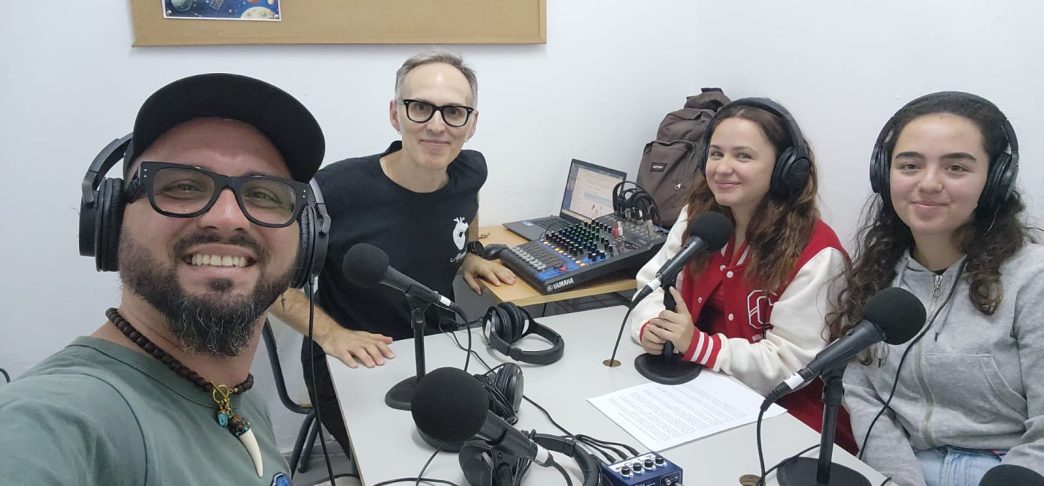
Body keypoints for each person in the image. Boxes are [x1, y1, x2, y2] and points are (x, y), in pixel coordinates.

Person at [0, 73, 326, 484]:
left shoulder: (231, 391)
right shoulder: (55, 422)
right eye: (183, 186)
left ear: (307, 240)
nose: (227, 217)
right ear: (112, 220)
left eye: (263, 194)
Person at [268, 51, 516, 451]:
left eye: (454, 112)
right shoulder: (333, 191)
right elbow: (263, 279)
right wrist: (331, 335)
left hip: (436, 345)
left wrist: (471, 251)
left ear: (471, 124)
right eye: (420, 108)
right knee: (394, 460)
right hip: (353, 359)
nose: (437, 125)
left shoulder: (471, 170)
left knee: (483, 442)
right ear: (395, 114)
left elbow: (468, 206)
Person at [835, 92, 1043, 486]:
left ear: (995, 180)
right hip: (899, 468)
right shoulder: (877, 271)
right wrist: (899, 478)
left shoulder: (1033, 279)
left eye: (956, 167)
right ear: (884, 175)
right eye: (910, 165)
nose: (928, 183)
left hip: (1006, 471)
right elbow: (863, 393)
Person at [628, 98, 857, 452]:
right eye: (716, 154)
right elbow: (653, 284)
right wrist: (653, 326)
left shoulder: (818, 254)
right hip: (697, 392)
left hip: (784, 420)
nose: (722, 167)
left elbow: (792, 365)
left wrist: (700, 346)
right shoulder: (697, 218)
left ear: (786, 168)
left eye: (743, 156)